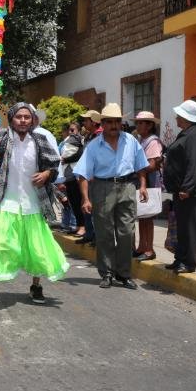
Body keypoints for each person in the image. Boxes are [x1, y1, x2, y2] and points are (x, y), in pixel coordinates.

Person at [0, 103, 69, 305]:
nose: (23, 121)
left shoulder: (40, 140)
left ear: (32, 120)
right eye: (19, 117)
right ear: (11, 119)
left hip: (33, 203)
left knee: (37, 249)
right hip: (7, 201)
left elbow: (53, 164)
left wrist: (46, 174)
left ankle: (36, 287)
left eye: (27, 117)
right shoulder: (1, 138)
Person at [74, 103, 149, 289]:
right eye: (109, 122)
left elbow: (141, 165)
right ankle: (107, 273)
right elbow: (82, 174)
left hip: (127, 187)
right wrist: (86, 198)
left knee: (127, 232)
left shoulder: (131, 141)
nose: (114, 125)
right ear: (103, 123)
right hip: (102, 187)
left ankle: (124, 274)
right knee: (104, 233)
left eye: (117, 121)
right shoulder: (93, 146)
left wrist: (143, 186)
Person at [163, 99, 196, 274]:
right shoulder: (187, 133)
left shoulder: (195, 136)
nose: (176, 118)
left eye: (178, 115)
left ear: (185, 117)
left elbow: (193, 164)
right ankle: (180, 258)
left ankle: (189, 262)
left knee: (188, 227)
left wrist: (187, 188)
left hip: (188, 191)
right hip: (180, 189)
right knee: (181, 226)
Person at [133, 111, 164, 261]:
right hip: (142, 181)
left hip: (150, 182)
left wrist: (136, 167)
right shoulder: (142, 140)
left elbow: (152, 165)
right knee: (142, 215)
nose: (138, 126)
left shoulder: (153, 142)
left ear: (150, 125)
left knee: (148, 216)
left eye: (141, 123)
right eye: (137, 123)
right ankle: (142, 246)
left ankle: (149, 249)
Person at [76, 110, 102, 245]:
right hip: (86, 176)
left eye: (86, 120)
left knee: (96, 207)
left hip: (95, 178)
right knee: (85, 204)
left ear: (93, 121)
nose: (84, 123)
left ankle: (97, 236)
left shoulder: (100, 136)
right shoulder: (88, 136)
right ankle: (89, 233)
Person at [59, 121, 84, 233]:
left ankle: (83, 226)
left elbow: (79, 154)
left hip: (76, 176)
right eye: (69, 130)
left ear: (78, 130)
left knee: (79, 201)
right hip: (67, 176)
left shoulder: (81, 140)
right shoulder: (67, 141)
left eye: (73, 130)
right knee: (73, 202)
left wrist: (65, 159)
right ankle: (78, 225)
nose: (70, 132)